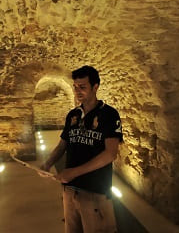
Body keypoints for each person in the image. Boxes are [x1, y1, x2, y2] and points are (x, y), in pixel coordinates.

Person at [40, 65, 123, 233]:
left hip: (95, 190)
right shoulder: (73, 114)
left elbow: (110, 154)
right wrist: (48, 163)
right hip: (69, 189)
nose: (77, 91)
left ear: (95, 87)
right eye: (75, 87)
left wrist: (74, 172)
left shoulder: (109, 114)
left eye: (83, 87)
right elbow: (63, 144)